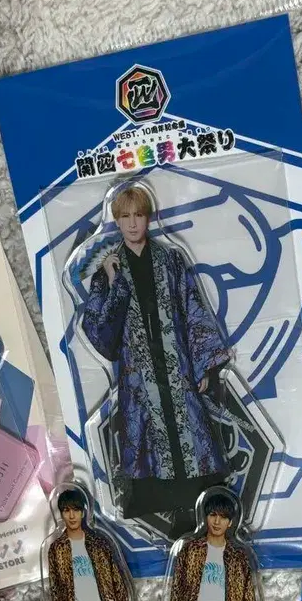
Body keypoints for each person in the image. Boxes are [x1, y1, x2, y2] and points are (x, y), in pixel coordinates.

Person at [81, 185, 230, 534]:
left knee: (190, 428)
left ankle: (200, 504)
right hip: (137, 376)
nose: (133, 223)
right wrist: (115, 282)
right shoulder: (107, 271)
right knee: (147, 437)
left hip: (177, 365)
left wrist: (203, 366)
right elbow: (100, 333)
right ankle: (168, 511)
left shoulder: (170, 260)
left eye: (139, 215)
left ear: (148, 217)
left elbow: (193, 310)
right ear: (116, 220)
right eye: (125, 216)